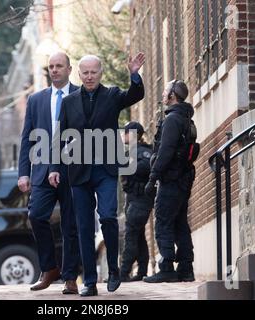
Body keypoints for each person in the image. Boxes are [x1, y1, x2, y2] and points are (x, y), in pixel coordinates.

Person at [49, 53, 146, 296]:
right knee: (83, 226)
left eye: (94, 72)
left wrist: (134, 75)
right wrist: (53, 167)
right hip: (79, 172)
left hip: (105, 170)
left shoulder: (112, 95)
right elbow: (59, 136)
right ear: (78, 74)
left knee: (108, 217)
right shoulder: (69, 102)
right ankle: (89, 282)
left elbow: (136, 95)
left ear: (100, 73)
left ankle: (113, 269)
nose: (90, 76)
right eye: (85, 72)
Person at [18, 52, 80, 294]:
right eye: (51, 67)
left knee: (70, 224)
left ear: (69, 69)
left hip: (73, 170)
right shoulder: (36, 100)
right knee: (36, 215)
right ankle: (49, 268)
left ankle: (70, 276)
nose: (54, 70)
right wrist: (24, 173)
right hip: (42, 170)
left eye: (59, 66)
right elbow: (27, 139)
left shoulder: (80, 95)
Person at [143, 79, 197, 283]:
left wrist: (152, 178)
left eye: (165, 91)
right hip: (182, 179)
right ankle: (186, 268)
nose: (163, 95)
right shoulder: (185, 118)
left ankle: (166, 267)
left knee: (164, 222)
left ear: (173, 95)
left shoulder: (173, 119)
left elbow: (165, 152)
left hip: (171, 180)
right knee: (180, 224)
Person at [119, 121, 154, 282]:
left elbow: (146, 167)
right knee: (138, 235)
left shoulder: (143, 152)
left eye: (125, 132)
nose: (123, 135)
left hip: (141, 199)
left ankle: (123, 272)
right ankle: (141, 271)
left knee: (131, 235)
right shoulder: (132, 152)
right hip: (133, 199)